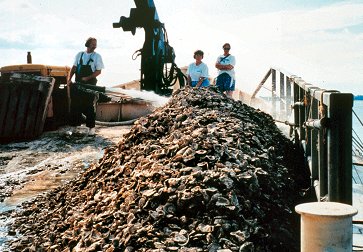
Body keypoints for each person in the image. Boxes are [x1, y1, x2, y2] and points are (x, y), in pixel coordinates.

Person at [67, 37, 104, 135]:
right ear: (87, 44)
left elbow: (98, 71)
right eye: (93, 43)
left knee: (89, 105)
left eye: (96, 43)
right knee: (75, 105)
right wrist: (69, 79)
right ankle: (74, 127)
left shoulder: (97, 57)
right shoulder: (79, 55)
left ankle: (91, 128)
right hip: (78, 83)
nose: (95, 45)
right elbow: (74, 68)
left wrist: (87, 78)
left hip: (90, 84)